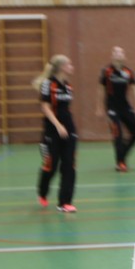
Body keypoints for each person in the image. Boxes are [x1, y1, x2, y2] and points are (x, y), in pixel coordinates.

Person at [34, 55, 77, 213]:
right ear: (62, 67)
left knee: (69, 166)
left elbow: (65, 108)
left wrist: (69, 127)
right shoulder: (48, 84)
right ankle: (42, 192)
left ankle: (65, 202)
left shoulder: (68, 86)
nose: (71, 67)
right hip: (52, 132)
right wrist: (58, 125)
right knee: (51, 166)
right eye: (69, 64)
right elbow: (45, 107)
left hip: (69, 131)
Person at [99, 46, 135, 172]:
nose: (118, 54)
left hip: (125, 107)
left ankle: (122, 155)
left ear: (124, 56)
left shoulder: (128, 72)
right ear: (112, 56)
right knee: (118, 134)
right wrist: (99, 107)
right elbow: (100, 89)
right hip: (112, 108)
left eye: (121, 52)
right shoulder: (107, 71)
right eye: (115, 52)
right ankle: (120, 163)